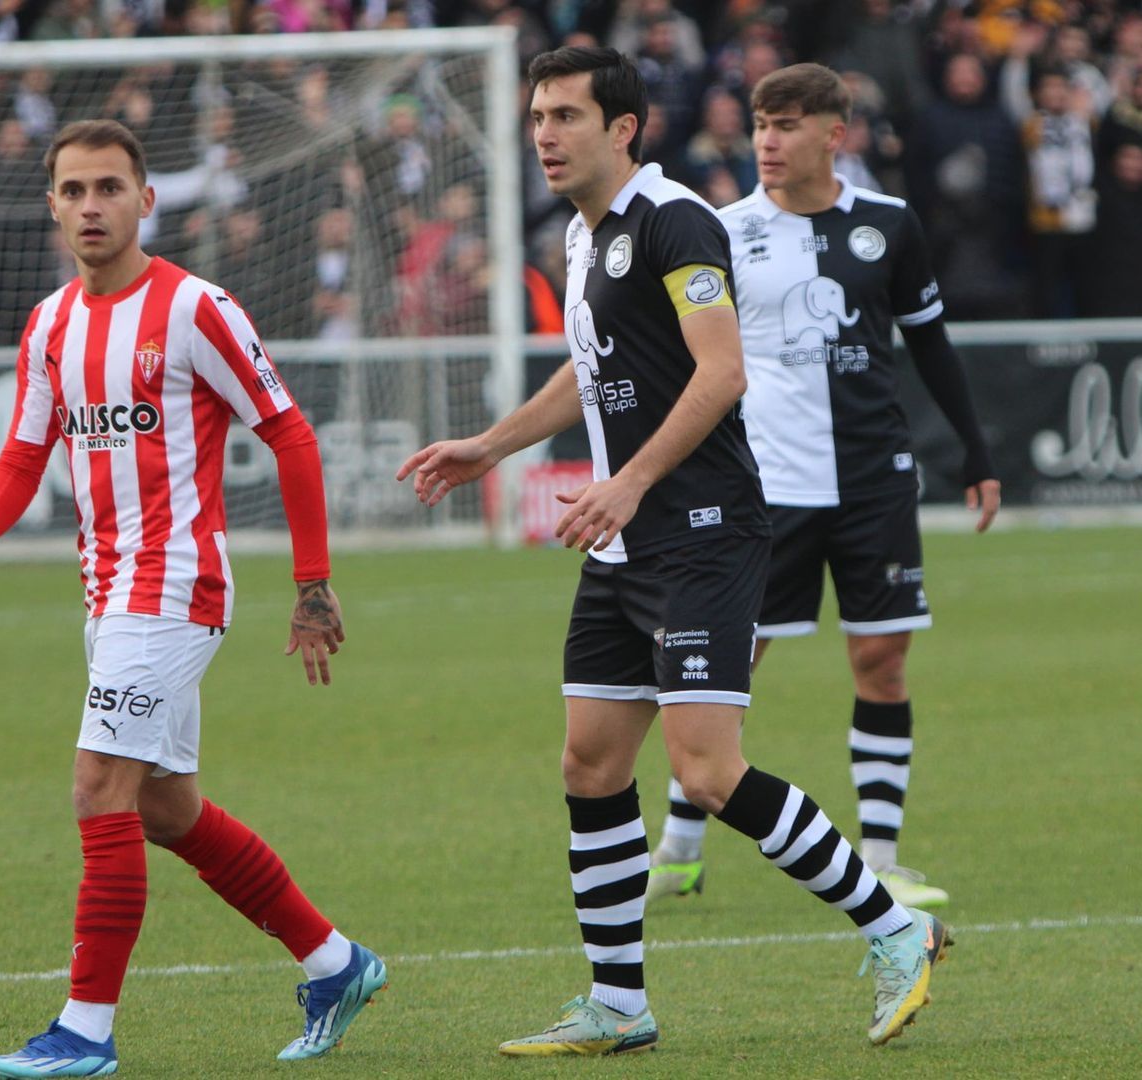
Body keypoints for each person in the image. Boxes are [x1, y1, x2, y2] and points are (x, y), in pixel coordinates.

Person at [397, 47, 950, 1055]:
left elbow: (722, 370)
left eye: (565, 116)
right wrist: (492, 445)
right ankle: (619, 1003)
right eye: (537, 118)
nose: (544, 136)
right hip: (626, 541)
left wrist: (632, 480)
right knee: (591, 760)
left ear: (622, 127)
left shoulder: (676, 221)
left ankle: (896, 928)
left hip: (702, 531)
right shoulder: (584, 237)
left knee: (705, 771)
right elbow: (588, 368)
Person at [0, 119, 385, 1079]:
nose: (92, 206)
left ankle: (84, 1033)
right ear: (51, 204)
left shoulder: (195, 309)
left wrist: (313, 582)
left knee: (99, 789)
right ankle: (336, 965)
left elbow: (290, 434)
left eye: (110, 188)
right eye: (74, 190)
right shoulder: (50, 324)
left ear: (147, 199)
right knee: (168, 810)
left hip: (175, 585)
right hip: (107, 591)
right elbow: (22, 451)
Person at [645, 62, 1000, 913]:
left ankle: (882, 855)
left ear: (834, 135)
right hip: (763, 487)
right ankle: (681, 844)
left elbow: (931, 345)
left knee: (881, 659)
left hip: (875, 480)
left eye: (788, 125)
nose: (767, 140)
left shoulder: (890, 225)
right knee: (730, 664)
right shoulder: (720, 230)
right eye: (762, 124)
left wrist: (977, 453)